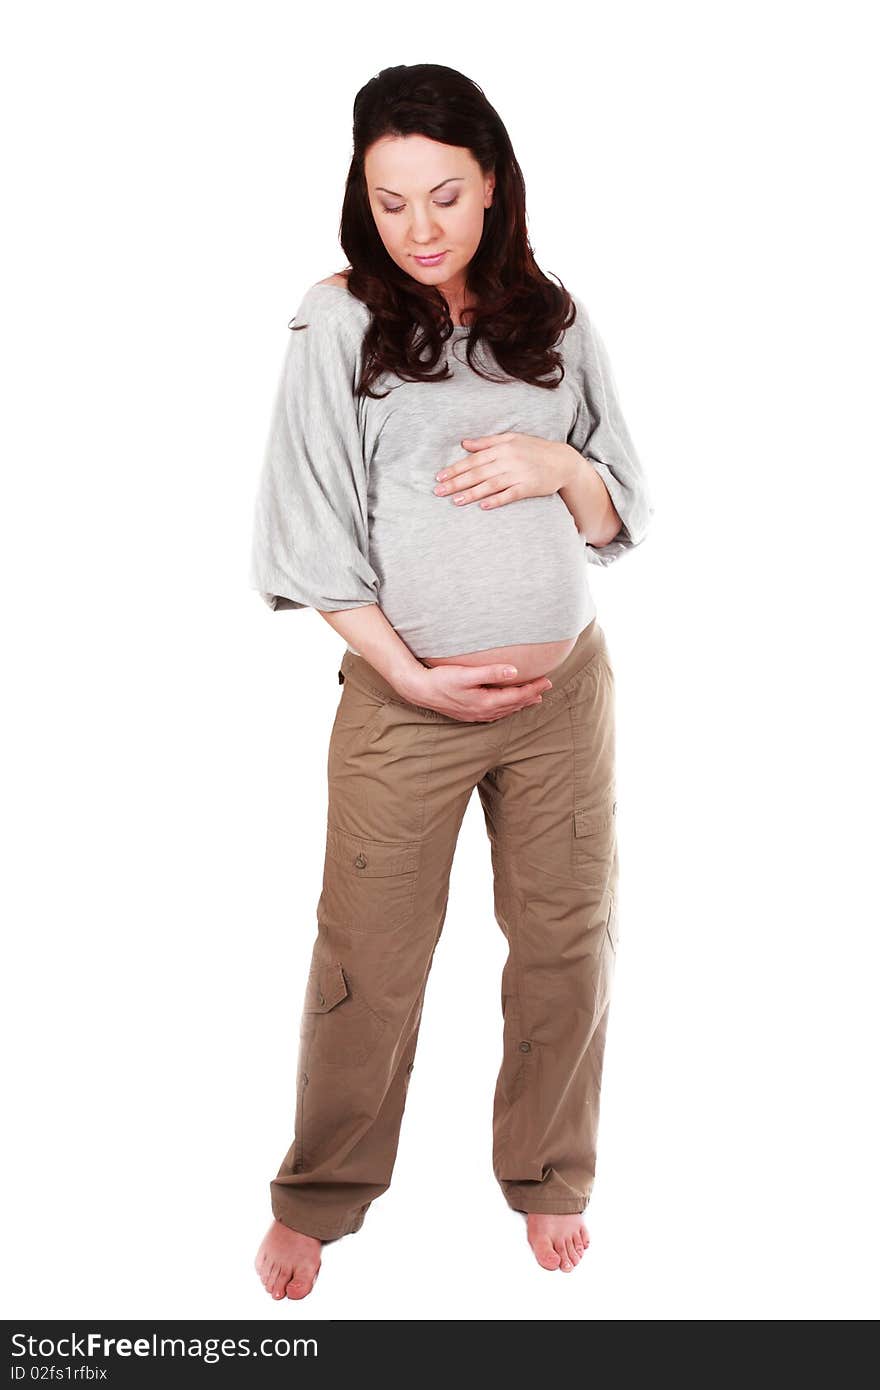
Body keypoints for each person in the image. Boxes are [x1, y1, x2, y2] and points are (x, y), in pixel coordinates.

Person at [249, 63, 654, 1301]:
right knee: (369, 952)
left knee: (562, 945)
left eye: (444, 196)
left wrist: (553, 461)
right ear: (359, 201)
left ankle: (547, 1176)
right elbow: (306, 536)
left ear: (492, 188)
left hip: (560, 702)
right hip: (400, 705)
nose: (418, 228)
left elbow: (617, 511)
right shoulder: (337, 320)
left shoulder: (558, 319)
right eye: (389, 201)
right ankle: (321, 1193)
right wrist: (411, 682)